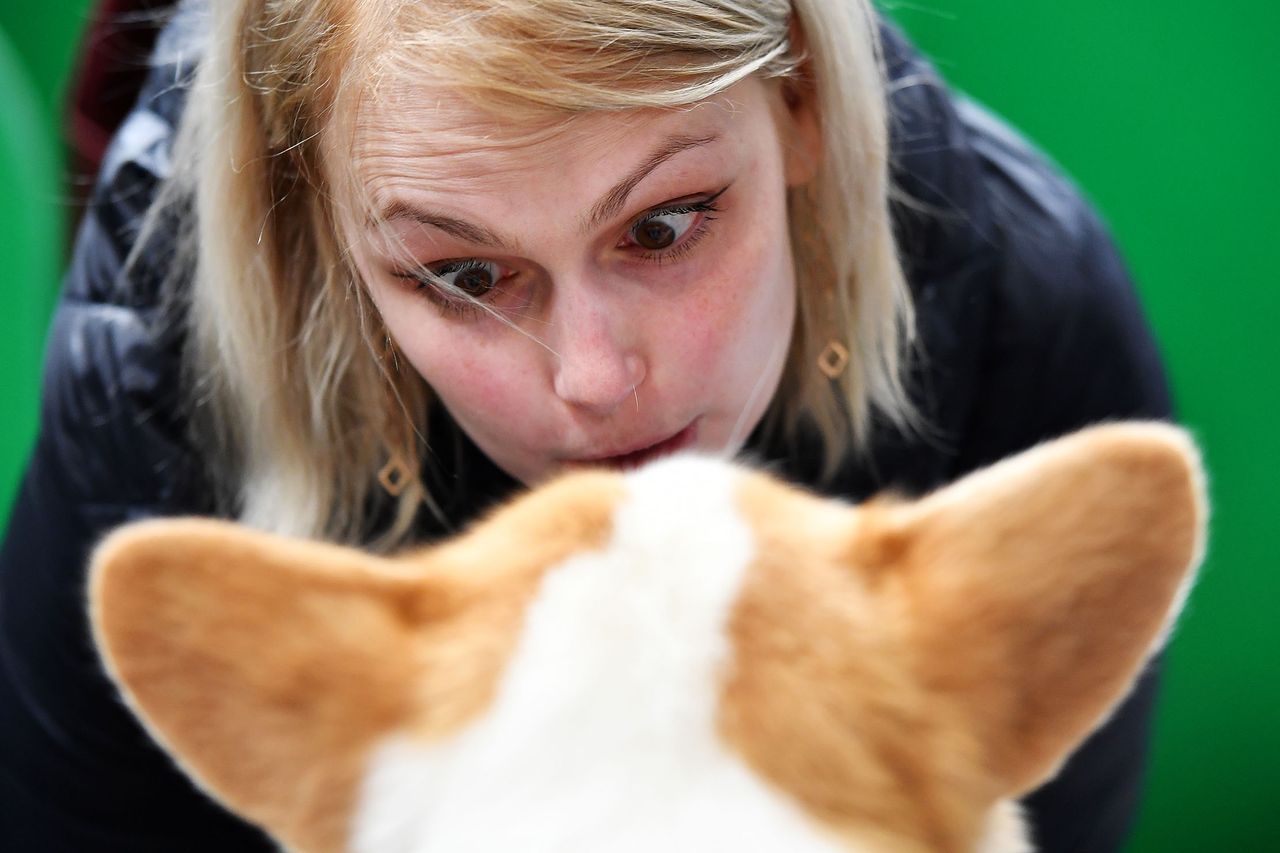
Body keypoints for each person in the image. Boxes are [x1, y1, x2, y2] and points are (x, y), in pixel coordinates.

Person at [0, 0, 1174, 850]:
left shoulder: (1020, 304)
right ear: (328, 239)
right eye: (464, 276)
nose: (594, 378)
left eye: (664, 228)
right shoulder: (155, 381)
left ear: (801, 100)